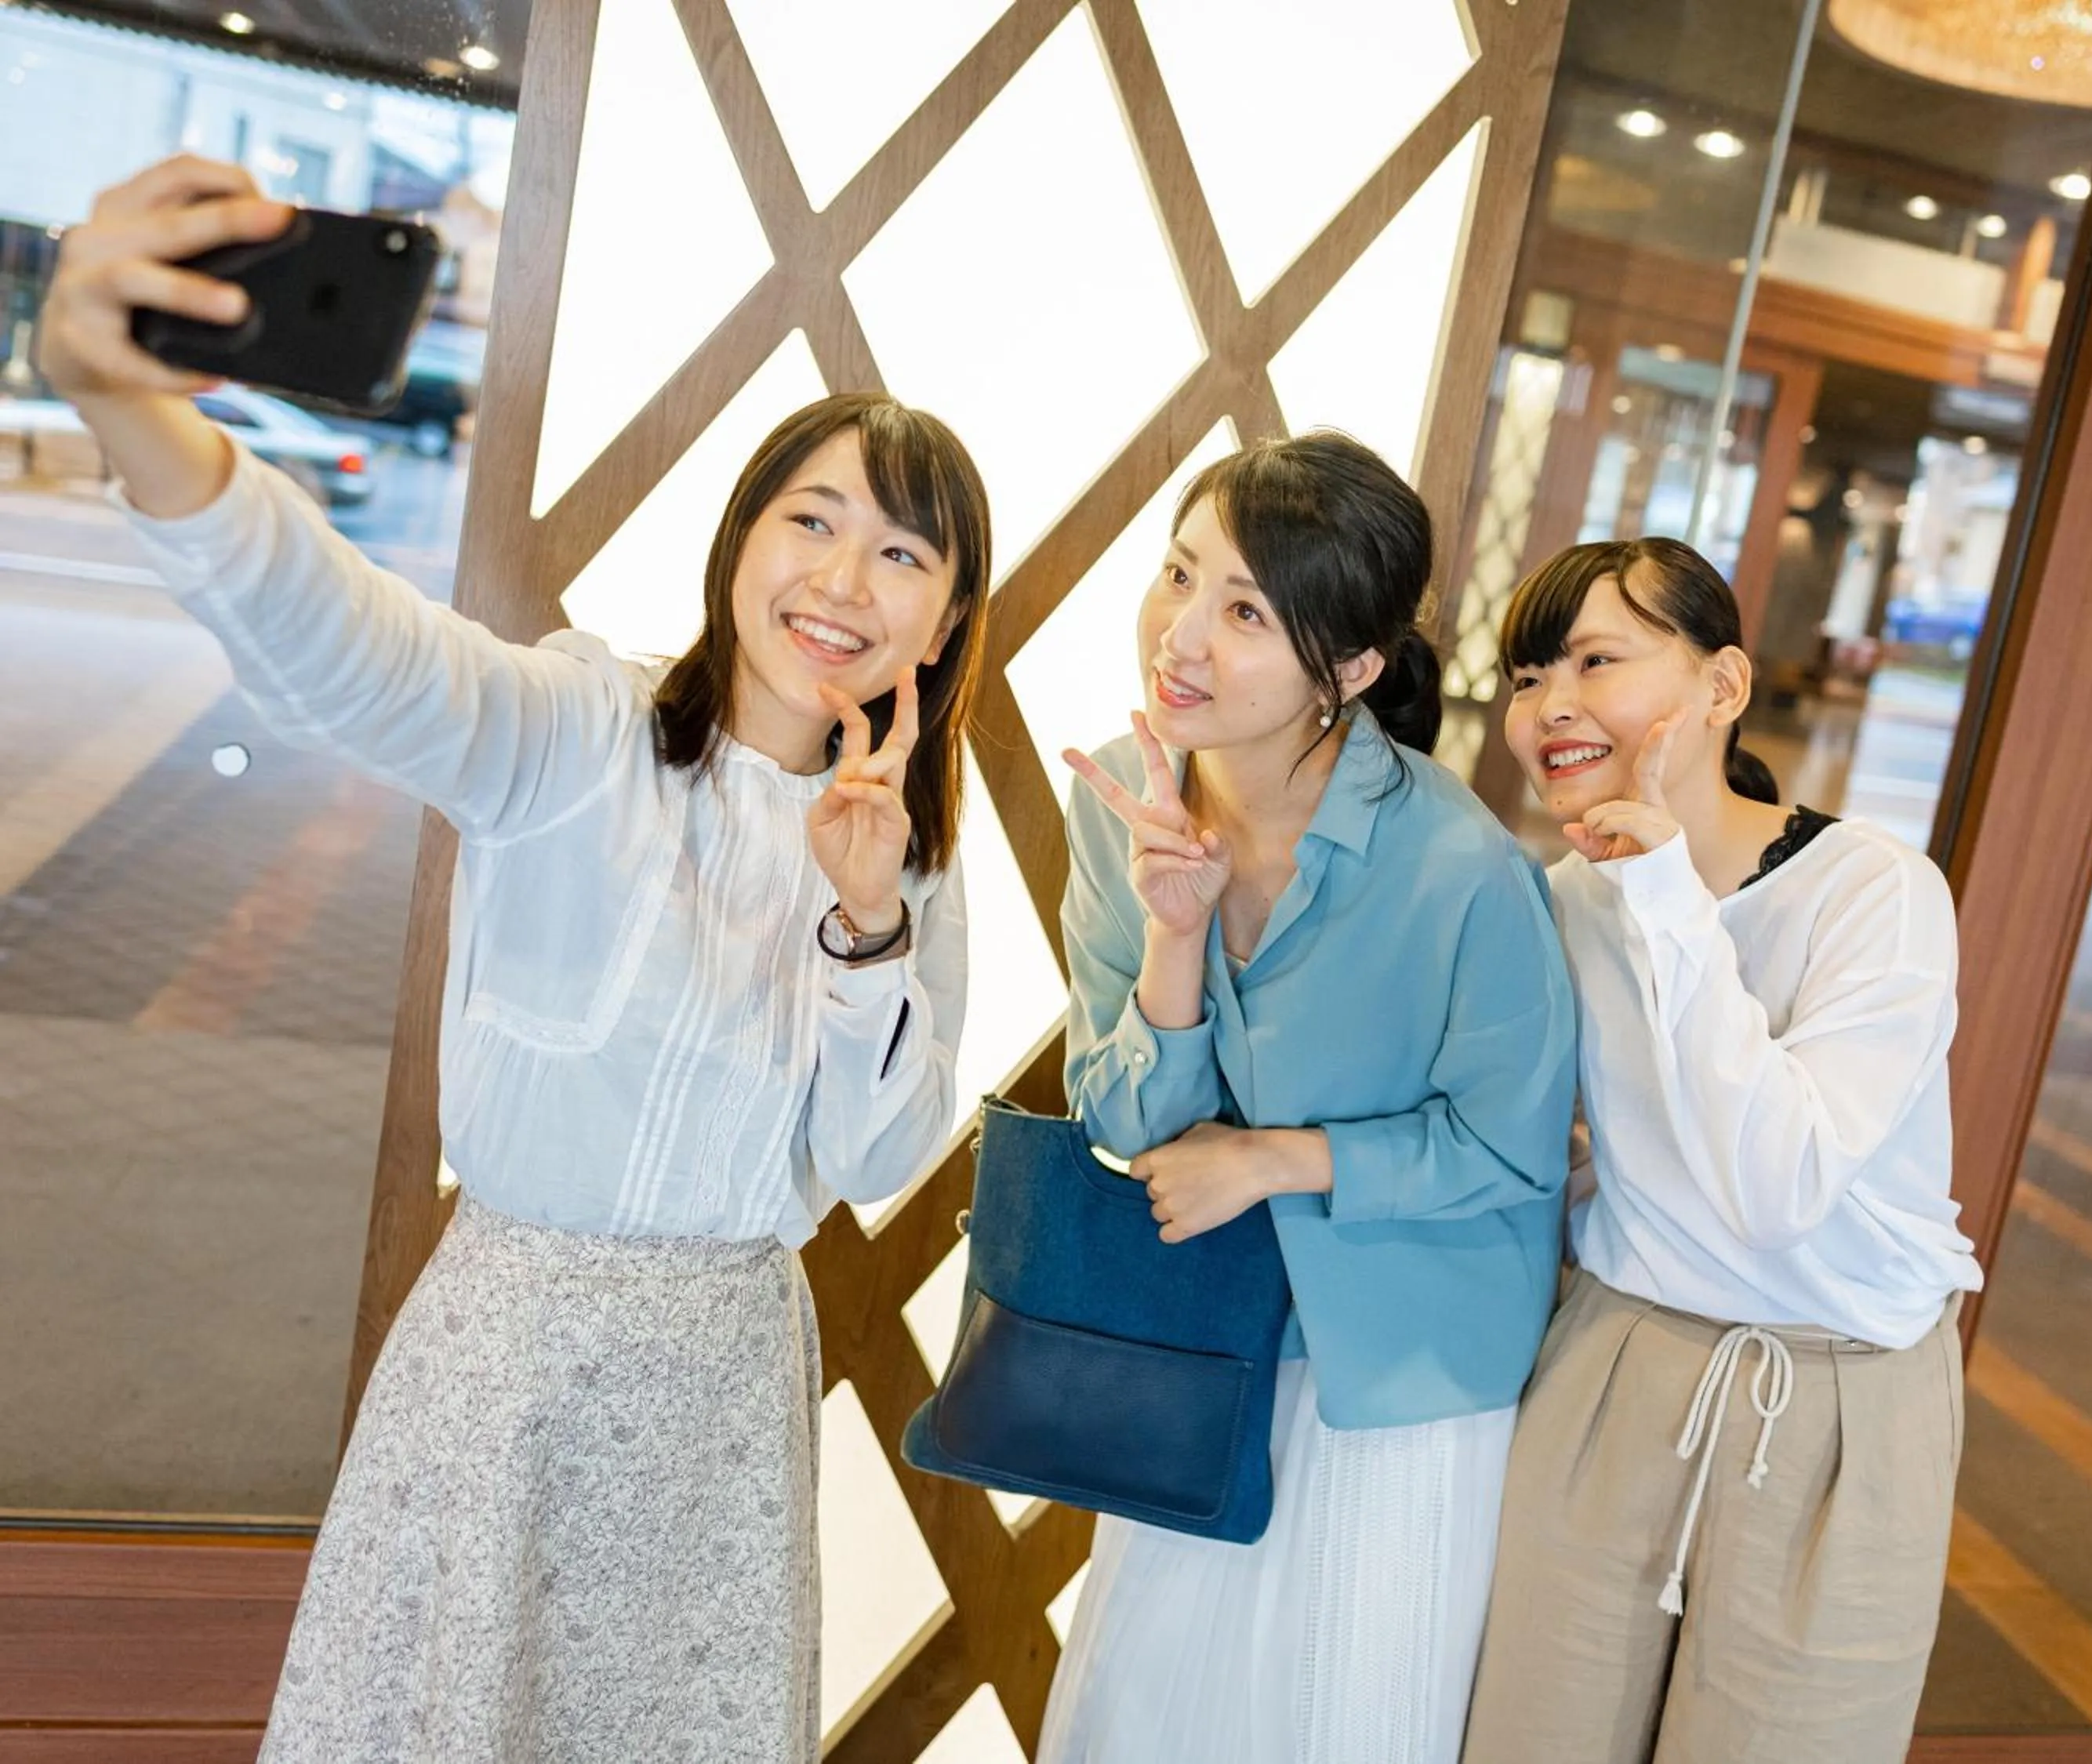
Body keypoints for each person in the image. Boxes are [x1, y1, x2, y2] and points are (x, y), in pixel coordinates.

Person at [36, 155, 994, 1762]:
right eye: (811, 520)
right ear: (739, 540)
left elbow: (881, 1151)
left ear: (950, 615)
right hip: (509, 1363)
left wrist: (866, 922)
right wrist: (140, 420)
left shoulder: (907, 860)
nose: (842, 582)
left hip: (719, 1395)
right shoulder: (577, 730)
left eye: (902, 556)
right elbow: (352, 649)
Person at [1037, 431, 1578, 1764]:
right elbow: (1122, 1120)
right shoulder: (1126, 796)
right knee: (1140, 1721)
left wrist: (1280, 1156)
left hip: (1401, 1381)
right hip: (1202, 1357)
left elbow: (1513, 1146)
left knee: (1345, 1722)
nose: (1182, 636)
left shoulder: (1459, 863)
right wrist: (1173, 941)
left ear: (1349, 669)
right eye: (1178, 575)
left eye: (1245, 613)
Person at [1461, 537, 1983, 1764]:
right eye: (1529, 675)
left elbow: (1780, 1183)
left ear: (1722, 686)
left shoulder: (1878, 891)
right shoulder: (1559, 899)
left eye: (1598, 659)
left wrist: (1664, 903)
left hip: (1842, 1402)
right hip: (1615, 1370)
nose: (1552, 706)